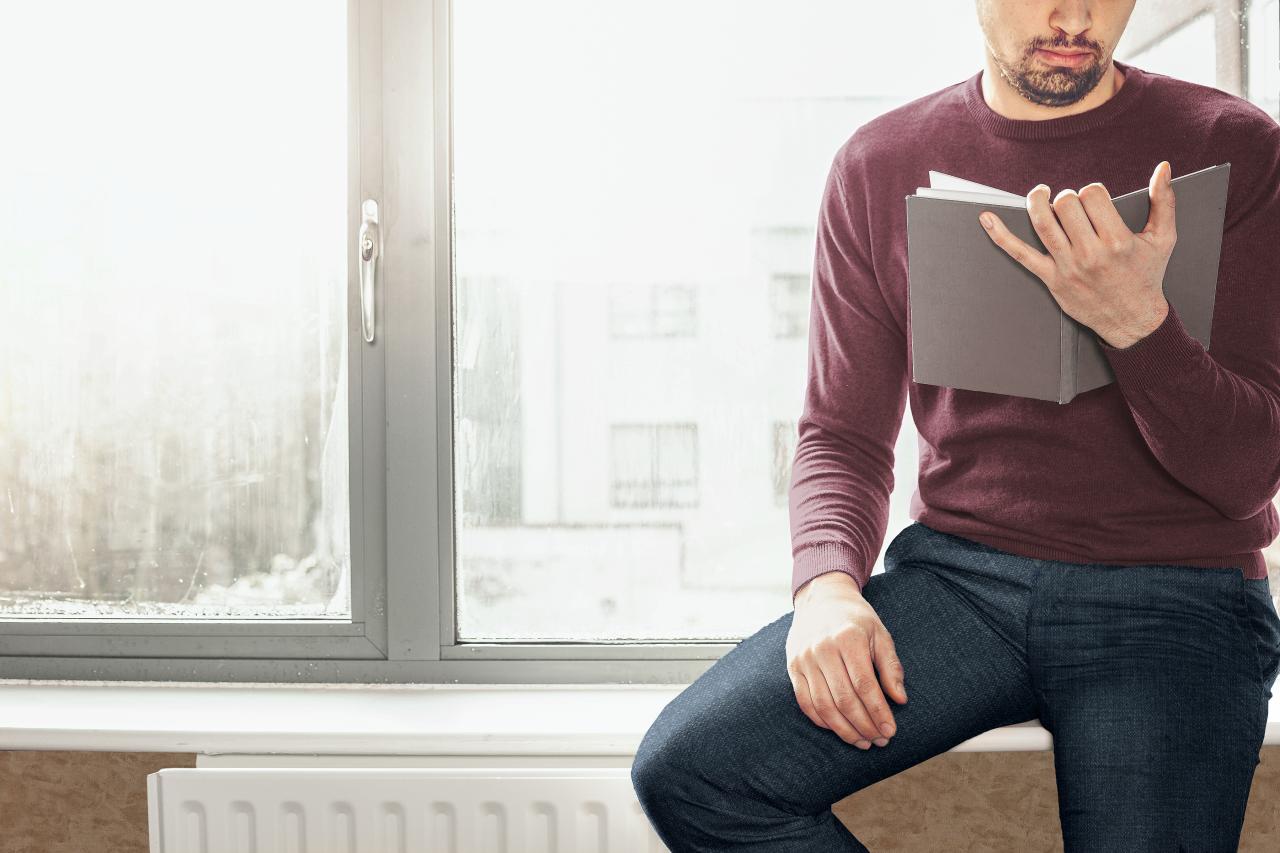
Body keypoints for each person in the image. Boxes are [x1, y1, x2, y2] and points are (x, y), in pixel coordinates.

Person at [630, 1, 1280, 850]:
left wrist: (1138, 327)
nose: (1074, 15)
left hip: (1176, 593)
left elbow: (1249, 470)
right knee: (691, 769)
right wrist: (825, 586)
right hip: (962, 583)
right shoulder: (878, 164)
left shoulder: (1234, 145)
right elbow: (841, 434)